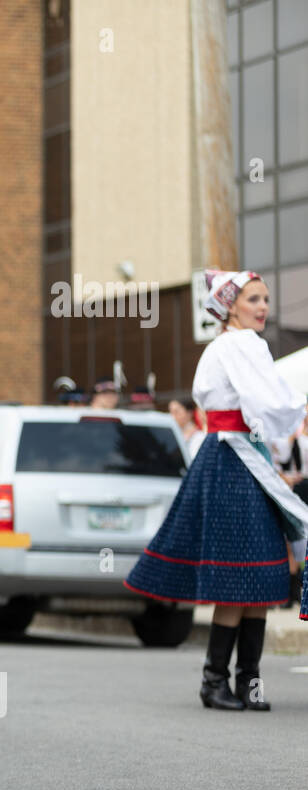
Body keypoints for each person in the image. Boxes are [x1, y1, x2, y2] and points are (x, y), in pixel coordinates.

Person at [126, 270, 308, 711]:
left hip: (236, 455)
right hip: (234, 458)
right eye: (252, 299)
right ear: (229, 305)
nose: (262, 307)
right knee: (244, 572)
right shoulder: (242, 344)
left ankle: (240, 682)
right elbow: (269, 404)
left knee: (257, 572)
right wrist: (297, 408)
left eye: (265, 299)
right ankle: (218, 681)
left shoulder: (224, 346)